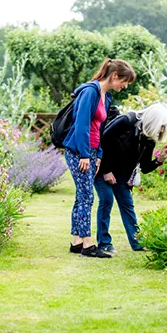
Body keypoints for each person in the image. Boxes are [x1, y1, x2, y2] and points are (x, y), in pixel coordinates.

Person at [63, 58, 136, 258]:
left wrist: (98, 155)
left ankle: (76, 240)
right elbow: (81, 125)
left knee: (82, 196)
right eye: (125, 81)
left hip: (92, 152)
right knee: (87, 196)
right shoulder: (90, 92)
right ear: (114, 76)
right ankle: (87, 245)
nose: (125, 86)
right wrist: (85, 155)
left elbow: (100, 129)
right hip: (78, 151)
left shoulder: (106, 97)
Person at [94, 104, 167, 254]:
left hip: (122, 174)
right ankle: (104, 243)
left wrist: (159, 159)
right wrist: (106, 170)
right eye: (161, 126)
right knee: (106, 199)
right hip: (102, 166)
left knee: (127, 205)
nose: (162, 130)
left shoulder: (149, 138)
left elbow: (145, 167)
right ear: (153, 121)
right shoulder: (126, 121)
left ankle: (138, 243)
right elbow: (102, 141)